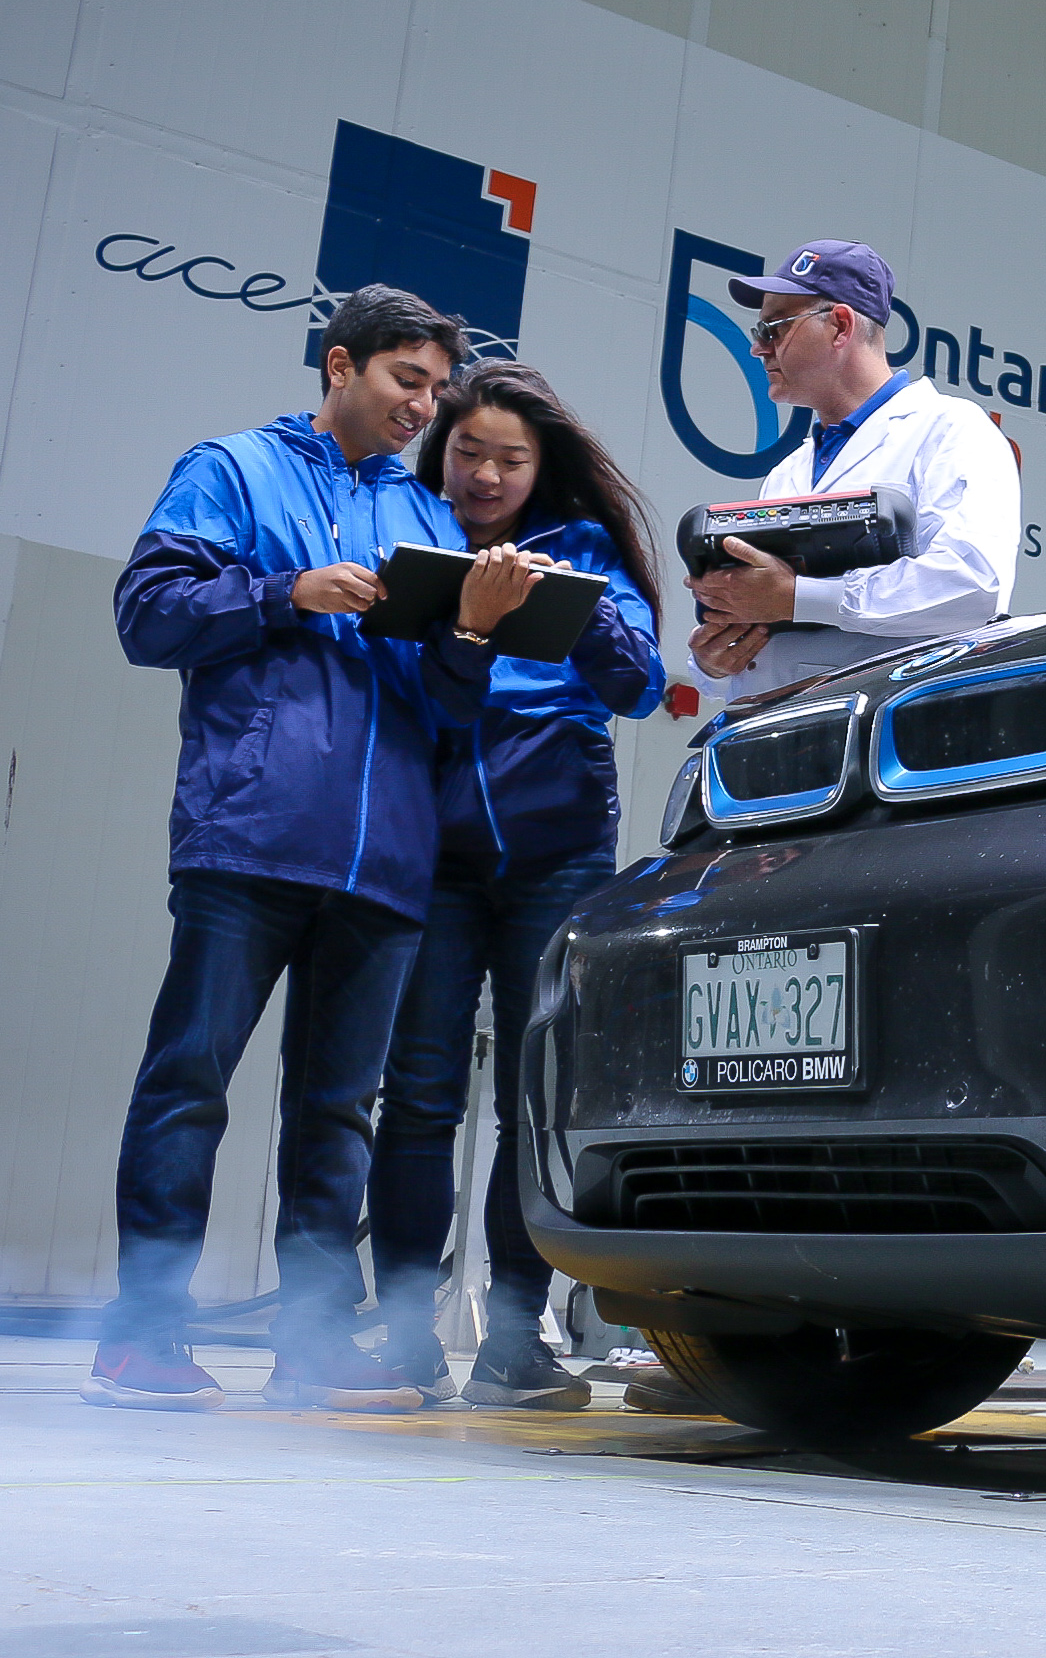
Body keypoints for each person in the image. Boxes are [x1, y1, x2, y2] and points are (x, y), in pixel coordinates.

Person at [91, 285, 539, 1412]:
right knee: (189, 1082)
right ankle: (139, 1336)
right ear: (341, 365)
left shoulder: (433, 521)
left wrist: (475, 631)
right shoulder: (233, 469)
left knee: (337, 1113)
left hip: (385, 861)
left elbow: (444, 708)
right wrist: (287, 591)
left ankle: (309, 1346)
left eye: (435, 389)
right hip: (249, 835)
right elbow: (148, 612)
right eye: (406, 381)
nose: (421, 408)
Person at [367, 362, 666, 1410]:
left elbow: (637, 683)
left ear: (542, 469)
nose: (487, 472)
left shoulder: (580, 551)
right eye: (469, 452)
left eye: (510, 456)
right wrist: (471, 622)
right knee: (416, 1093)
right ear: (439, 456)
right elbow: (424, 706)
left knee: (533, 1101)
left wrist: (561, 603)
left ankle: (511, 1340)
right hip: (432, 855)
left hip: (559, 854)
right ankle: (403, 1333)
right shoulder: (403, 545)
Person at [688, 239, 1021, 701]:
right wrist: (714, 657)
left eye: (773, 329)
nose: (757, 349)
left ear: (840, 326)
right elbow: (774, 624)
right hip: (764, 737)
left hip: (884, 741)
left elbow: (972, 584)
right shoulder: (789, 470)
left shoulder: (951, 428)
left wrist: (797, 597)